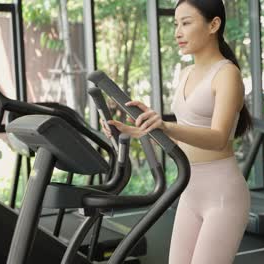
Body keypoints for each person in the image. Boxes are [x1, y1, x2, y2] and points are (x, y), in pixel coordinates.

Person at [101, 0, 252, 263]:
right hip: (189, 189)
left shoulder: (227, 74)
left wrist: (165, 125)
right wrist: (136, 130)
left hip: (222, 195)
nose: (177, 32)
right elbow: (184, 135)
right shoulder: (185, 73)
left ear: (213, 25)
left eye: (186, 23)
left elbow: (218, 138)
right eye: (175, 24)